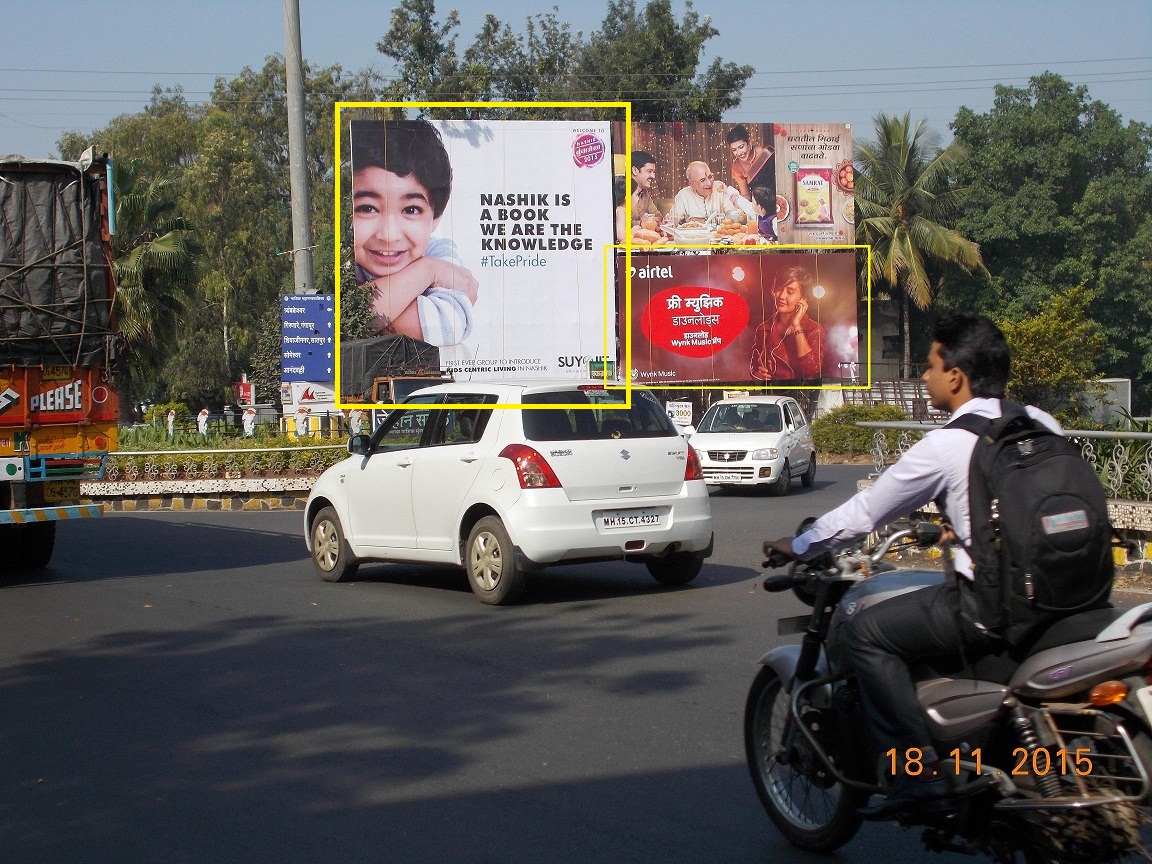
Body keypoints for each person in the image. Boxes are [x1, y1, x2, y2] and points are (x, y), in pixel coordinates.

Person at [763, 313, 1065, 818]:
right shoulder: (1037, 421)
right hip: (1065, 594)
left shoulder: (948, 444)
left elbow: (866, 512)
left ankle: (917, 774)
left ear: (956, 375)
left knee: (866, 631)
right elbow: (1042, 502)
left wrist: (802, 544)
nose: (924, 376)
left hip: (993, 605)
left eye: (930, 365)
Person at [350, 119, 478, 347]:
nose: (389, 235)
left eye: (411, 209)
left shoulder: (438, 251)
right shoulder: (344, 259)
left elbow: (449, 325)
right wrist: (427, 271)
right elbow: (350, 318)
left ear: (436, 217)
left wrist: (379, 310)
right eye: (367, 208)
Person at [749, 266, 826, 380]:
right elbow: (754, 366)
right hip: (772, 393)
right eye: (779, 289)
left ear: (804, 298)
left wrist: (796, 325)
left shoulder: (814, 329)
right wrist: (756, 375)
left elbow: (811, 368)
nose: (781, 296)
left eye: (790, 291)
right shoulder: (763, 329)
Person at [670, 161, 756, 225]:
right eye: (703, 180)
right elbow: (672, 221)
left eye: (710, 177)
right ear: (692, 185)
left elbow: (735, 216)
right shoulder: (683, 195)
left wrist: (736, 210)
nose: (709, 183)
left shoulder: (719, 188)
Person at [726, 124, 775, 203]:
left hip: (779, 199)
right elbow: (746, 195)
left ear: (749, 142)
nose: (739, 153)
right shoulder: (737, 166)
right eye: (734, 150)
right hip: (759, 205)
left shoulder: (766, 152)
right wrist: (739, 204)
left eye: (741, 147)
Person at [630, 150, 662, 228]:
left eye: (653, 172)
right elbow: (619, 223)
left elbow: (659, 217)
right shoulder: (621, 191)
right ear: (635, 170)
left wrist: (648, 220)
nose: (653, 176)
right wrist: (640, 222)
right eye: (649, 171)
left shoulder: (644, 192)